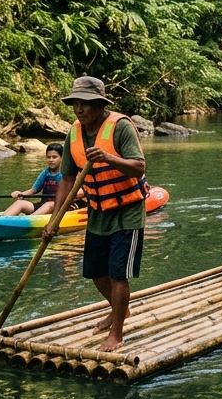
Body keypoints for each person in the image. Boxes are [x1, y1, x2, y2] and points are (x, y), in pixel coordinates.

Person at [43, 76, 147, 352]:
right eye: (76, 103)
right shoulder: (73, 134)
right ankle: (119, 310)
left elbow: (139, 167)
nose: (79, 109)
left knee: (117, 274)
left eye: (85, 104)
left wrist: (108, 157)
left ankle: (117, 334)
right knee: (95, 273)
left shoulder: (121, 127)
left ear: (100, 105)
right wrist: (54, 220)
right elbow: (66, 179)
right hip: (98, 211)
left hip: (127, 211)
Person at [2, 143, 64, 216]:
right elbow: (33, 190)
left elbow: (76, 191)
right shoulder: (45, 173)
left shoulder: (66, 175)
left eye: (54, 157)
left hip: (60, 208)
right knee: (20, 203)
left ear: (61, 158)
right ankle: (1, 219)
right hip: (43, 206)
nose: (51, 160)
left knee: (50, 204)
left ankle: (28, 220)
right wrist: (21, 194)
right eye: (48, 157)